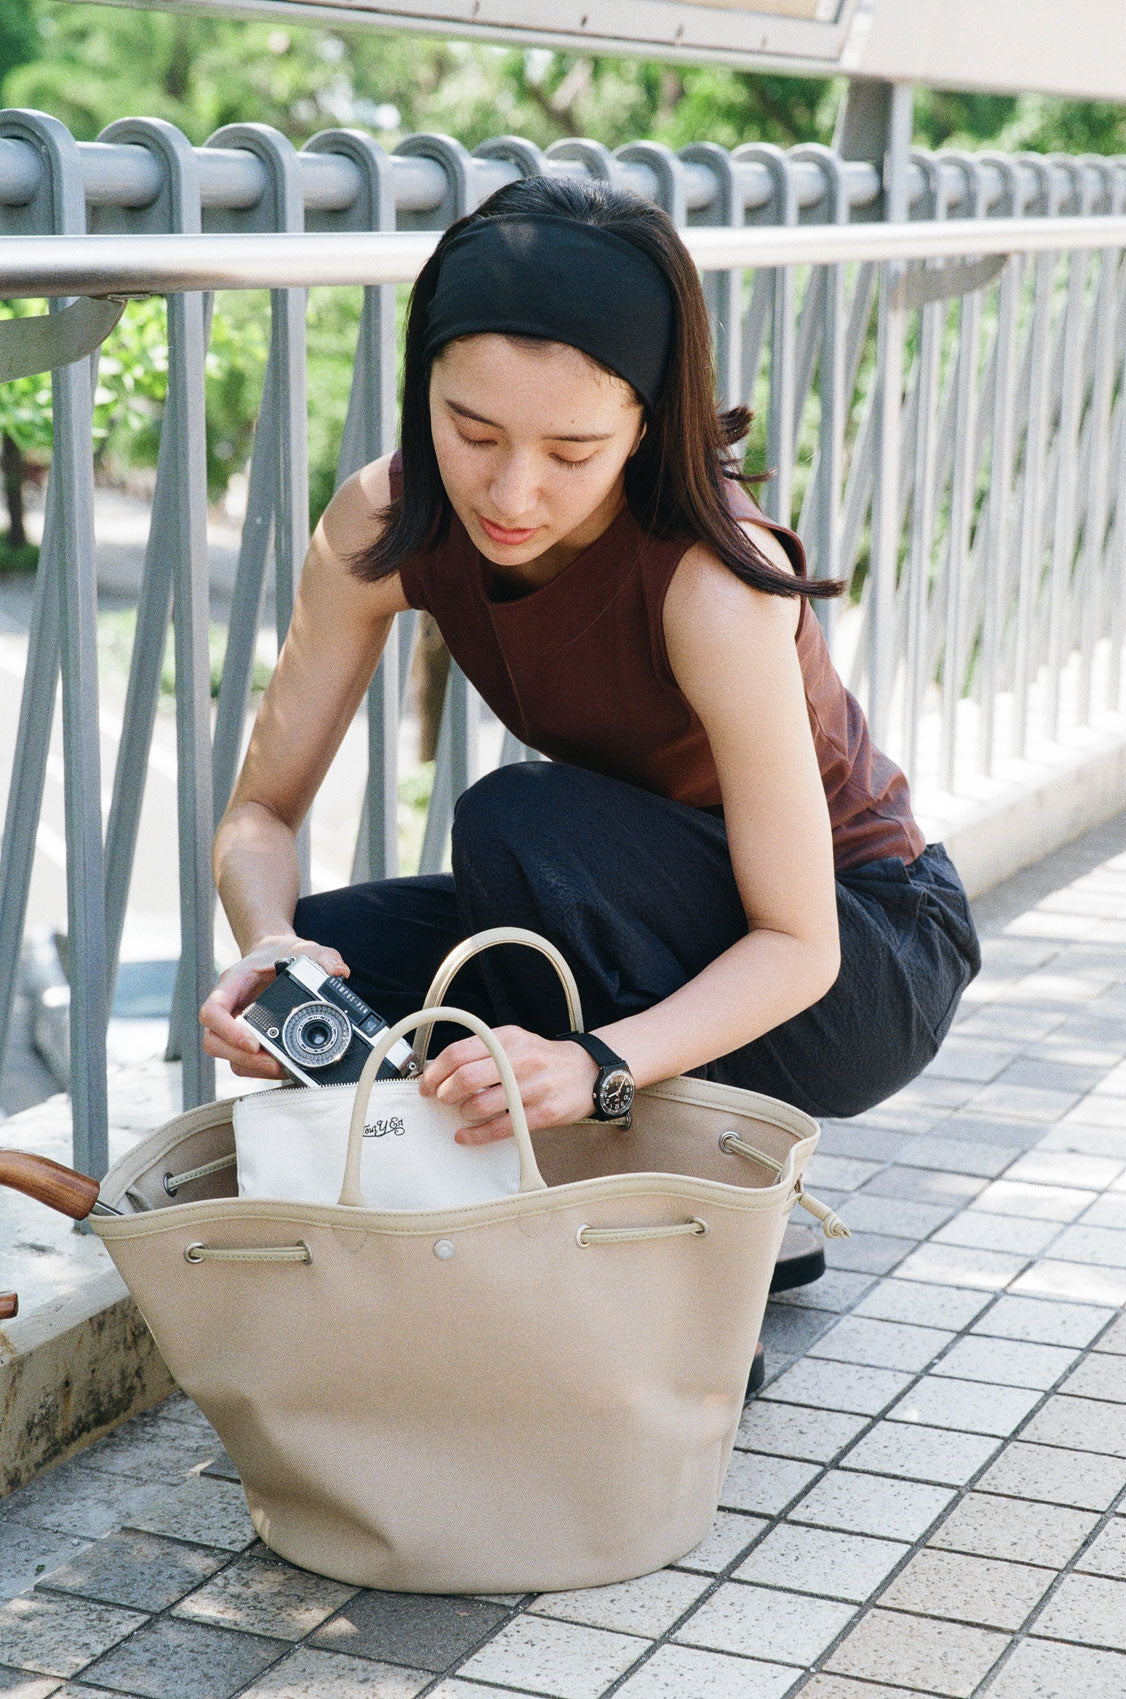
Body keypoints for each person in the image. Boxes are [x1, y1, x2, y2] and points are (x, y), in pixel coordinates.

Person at [199, 176, 981, 1372]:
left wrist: (598, 1062)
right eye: (472, 432)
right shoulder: (384, 520)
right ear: (423, 392)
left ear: (648, 421)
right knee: (329, 964)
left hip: (865, 952)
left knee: (516, 820)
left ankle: (655, 1283)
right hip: (633, 908)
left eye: (573, 451)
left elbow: (799, 943)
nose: (513, 494)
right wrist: (269, 947)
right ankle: (445, 1240)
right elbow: (261, 811)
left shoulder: (714, 583)